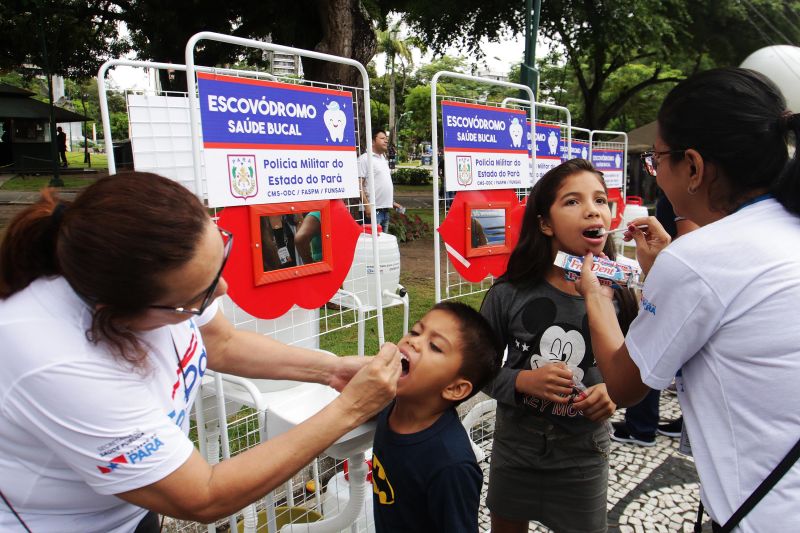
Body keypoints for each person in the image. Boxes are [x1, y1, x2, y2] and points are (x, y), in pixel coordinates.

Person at [0, 172, 401, 532]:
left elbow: (220, 341)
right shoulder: (56, 360)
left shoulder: (169, 266)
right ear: (116, 313)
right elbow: (204, 495)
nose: (222, 291)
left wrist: (329, 370)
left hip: (126, 508)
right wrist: (349, 409)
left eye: (220, 260)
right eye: (201, 296)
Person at [575, 67, 800, 532]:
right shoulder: (775, 233)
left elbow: (624, 383)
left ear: (694, 167)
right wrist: (664, 270)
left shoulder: (701, 259)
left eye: (657, 160)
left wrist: (595, 296)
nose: (656, 174)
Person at [480, 159, 638, 533]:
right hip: (514, 451)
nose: (592, 209)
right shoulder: (508, 294)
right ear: (544, 223)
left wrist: (613, 393)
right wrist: (521, 382)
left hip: (584, 456)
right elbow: (476, 369)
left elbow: (641, 371)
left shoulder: (622, 297)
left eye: (600, 200)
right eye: (572, 201)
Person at [371, 301, 499, 532]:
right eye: (416, 331)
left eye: (435, 346)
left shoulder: (451, 465)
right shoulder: (390, 404)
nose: (413, 341)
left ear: (455, 388)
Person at [610, 194, 698, 446]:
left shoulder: (685, 199)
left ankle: (641, 427)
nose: (654, 166)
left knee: (651, 352)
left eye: (657, 158)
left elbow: (622, 386)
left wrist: (659, 272)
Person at [358, 129, 403, 232]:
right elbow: (359, 185)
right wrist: (367, 206)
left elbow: (380, 184)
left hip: (385, 211)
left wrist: (392, 203)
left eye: (386, 139)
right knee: (372, 245)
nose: (386, 141)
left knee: (383, 246)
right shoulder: (364, 159)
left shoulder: (383, 159)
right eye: (382, 138)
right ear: (373, 141)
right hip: (372, 211)